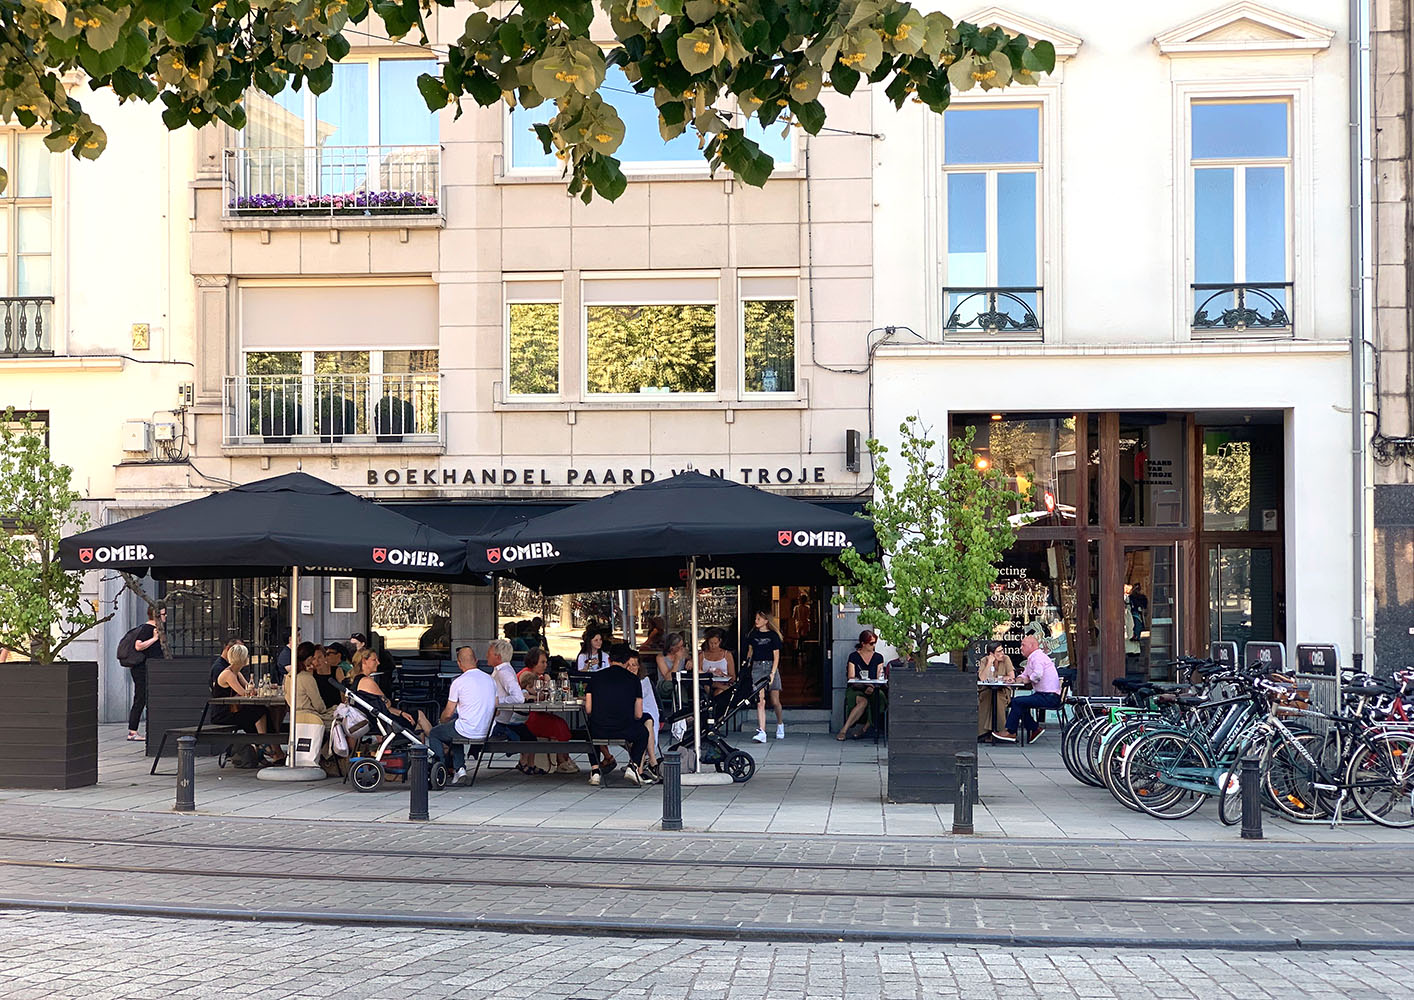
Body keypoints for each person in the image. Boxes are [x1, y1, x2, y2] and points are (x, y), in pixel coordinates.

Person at [429, 645, 497, 782]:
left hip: (467, 729)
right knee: (455, 727)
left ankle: (440, 768)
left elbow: (448, 713)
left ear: (459, 664)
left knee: (435, 733)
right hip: (487, 730)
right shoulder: (490, 679)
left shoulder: (459, 682)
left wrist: (441, 721)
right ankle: (459, 770)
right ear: (476, 661)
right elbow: (497, 709)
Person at [585, 644, 650, 786]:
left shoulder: (595, 678)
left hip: (599, 729)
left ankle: (595, 770)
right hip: (625, 728)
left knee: (589, 730)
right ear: (627, 661)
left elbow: (588, 709)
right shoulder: (633, 680)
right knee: (643, 733)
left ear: (609, 659)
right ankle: (633, 767)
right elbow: (638, 714)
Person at [517, 648, 579, 774]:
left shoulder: (540, 676)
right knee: (558, 725)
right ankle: (562, 760)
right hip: (527, 716)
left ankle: (563, 758)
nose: (546, 665)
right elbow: (529, 697)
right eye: (542, 662)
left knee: (560, 723)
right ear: (534, 662)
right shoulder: (527, 675)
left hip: (538, 712)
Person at [992, 635, 1062, 743]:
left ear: (1032, 646)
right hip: (1045, 695)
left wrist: (1028, 679)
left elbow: (1037, 675)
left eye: (1023, 645)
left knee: (1016, 702)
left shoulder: (1037, 658)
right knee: (1020, 703)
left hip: (1049, 696)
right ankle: (1034, 729)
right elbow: (1025, 675)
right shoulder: (1033, 658)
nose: (1021, 647)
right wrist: (1017, 680)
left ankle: (1011, 732)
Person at [487, 637, 540, 775]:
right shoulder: (501, 670)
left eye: (489, 653)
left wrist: (497, 701)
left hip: (498, 723)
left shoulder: (504, 672)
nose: (486, 655)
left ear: (497, 656)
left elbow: (518, 698)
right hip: (497, 720)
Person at [351, 648, 431, 738]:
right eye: (374, 660)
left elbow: (382, 705)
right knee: (419, 715)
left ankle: (431, 748)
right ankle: (439, 744)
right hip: (384, 724)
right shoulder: (367, 681)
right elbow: (387, 703)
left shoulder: (356, 681)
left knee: (416, 723)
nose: (378, 663)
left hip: (379, 720)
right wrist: (395, 708)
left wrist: (401, 713)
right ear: (364, 661)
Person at [126, 603, 166, 741]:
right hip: (141, 669)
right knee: (140, 698)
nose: (165, 616)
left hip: (148, 668)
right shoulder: (148, 628)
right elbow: (138, 646)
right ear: (156, 615)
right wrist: (154, 639)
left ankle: (139, 730)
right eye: (163, 614)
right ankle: (132, 731)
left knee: (145, 698)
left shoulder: (155, 628)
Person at [744, 610, 784, 743]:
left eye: (759, 619)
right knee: (760, 700)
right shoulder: (753, 635)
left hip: (770, 666)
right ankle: (762, 731)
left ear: (766, 621)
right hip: (757, 667)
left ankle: (780, 723)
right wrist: (746, 663)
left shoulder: (773, 636)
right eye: (756, 618)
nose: (756, 621)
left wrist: (772, 672)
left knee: (775, 701)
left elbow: (776, 656)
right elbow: (750, 651)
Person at [837, 630, 885, 740]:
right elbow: (851, 676)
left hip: (873, 688)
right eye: (871, 643)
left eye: (875, 643)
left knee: (880, 698)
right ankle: (844, 730)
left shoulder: (878, 657)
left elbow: (879, 676)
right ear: (863, 643)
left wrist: (872, 687)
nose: (873, 646)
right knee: (863, 702)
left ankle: (864, 729)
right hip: (856, 688)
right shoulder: (854, 656)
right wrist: (865, 685)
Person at [286, 641, 335, 728]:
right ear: (309, 658)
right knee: (339, 722)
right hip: (311, 718)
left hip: (294, 717)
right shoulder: (307, 677)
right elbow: (318, 705)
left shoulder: (289, 676)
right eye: (313, 658)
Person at [630, 649, 662, 782]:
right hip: (631, 716)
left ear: (639, 667)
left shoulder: (644, 680)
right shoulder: (625, 680)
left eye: (634, 665)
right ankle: (650, 764)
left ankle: (640, 768)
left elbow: (645, 705)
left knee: (645, 724)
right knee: (645, 726)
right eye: (629, 665)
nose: (632, 668)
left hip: (643, 713)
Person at [977, 641, 1016, 738]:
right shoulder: (984, 660)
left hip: (1003, 690)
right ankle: (985, 732)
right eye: (999, 651)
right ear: (991, 654)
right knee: (988, 696)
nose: (1002, 653)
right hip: (987, 690)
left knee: (998, 696)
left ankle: (999, 730)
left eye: (1002, 650)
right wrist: (990, 662)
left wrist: (1002, 678)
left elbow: (1011, 676)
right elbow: (982, 678)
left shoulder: (1006, 659)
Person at [697, 628, 737, 697]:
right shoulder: (702, 655)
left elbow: (733, 678)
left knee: (719, 692)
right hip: (707, 684)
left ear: (720, 641)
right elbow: (698, 673)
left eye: (715, 643)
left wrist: (722, 674)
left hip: (723, 683)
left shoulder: (727, 655)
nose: (713, 646)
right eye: (711, 643)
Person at [655, 631, 689, 709]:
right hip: (664, 685)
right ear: (671, 647)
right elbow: (668, 678)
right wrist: (677, 661)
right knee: (676, 685)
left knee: (679, 686)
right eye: (678, 647)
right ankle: (684, 708)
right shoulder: (661, 658)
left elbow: (694, 657)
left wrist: (691, 661)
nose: (681, 649)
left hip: (680, 682)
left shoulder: (683, 653)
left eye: (682, 646)